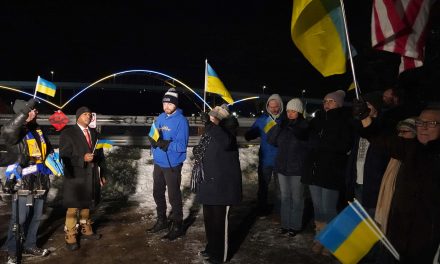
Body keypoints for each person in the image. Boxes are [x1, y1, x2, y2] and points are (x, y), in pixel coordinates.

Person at [353, 102, 440, 263]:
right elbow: (381, 139)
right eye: (420, 122)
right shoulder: (411, 148)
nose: (423, 127)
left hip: (427, 240)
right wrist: (365, 117)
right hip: (399, 233)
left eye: (431, 123)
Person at [302, 90, 353, 255]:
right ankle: (320, 237)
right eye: (325, 101)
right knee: (318, 207)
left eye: (330, 101)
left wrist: (323, 144)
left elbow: (345, 145)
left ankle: (331, 241)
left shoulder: (345, 120)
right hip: (314, 169)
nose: (326, 103)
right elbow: (305, 136)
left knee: (329, 208)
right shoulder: (317, 119)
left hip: (331, 171)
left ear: (339, 103)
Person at [1, 98, 51, 263]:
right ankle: (12, 250)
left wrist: (52, 159)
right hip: (23, 180)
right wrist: (24, 113)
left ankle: (30, 244)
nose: (35, 112)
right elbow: (8, 132)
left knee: (36, 216)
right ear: (22, 114)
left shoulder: (38, 129)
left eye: (35, 110)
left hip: (40, 178)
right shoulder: (16, 130)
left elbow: (47, 149)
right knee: (20, 218)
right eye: (32, 110)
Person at [194, 105, 242, 264]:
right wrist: (197, 150)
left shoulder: (229, 129)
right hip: (208, 183)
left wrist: (209, 125)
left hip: (223, 186)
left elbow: (225, 142)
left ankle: (220, 256)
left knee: (220, 223)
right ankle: (211, 248)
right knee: (209, 221)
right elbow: (207, 147)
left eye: (214, 117)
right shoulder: (212, 129)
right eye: (210, 116)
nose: (211, 118)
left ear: (221, 118)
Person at [59, 106, 106, 251]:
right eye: (85, 114)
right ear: (78, 116)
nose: (89, 117)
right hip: (75, 175)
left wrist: (103, 173)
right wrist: (82, 159)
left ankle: (86, 228)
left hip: (91, 175)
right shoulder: (68, 133)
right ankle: (71, 234)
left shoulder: (94, 133)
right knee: (73, 207)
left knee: (87, 204)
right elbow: (64, 156)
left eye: (90, 115)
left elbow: (101, 156)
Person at [147, 88, 189, 241]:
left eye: (169, 104)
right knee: (157, 193)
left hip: (172, 165)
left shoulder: (181, 121)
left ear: (175, 104)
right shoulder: (160, 117)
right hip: (158, 163)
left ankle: (178, 225)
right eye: (164, 103)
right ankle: (162, 220)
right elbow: (154, 135)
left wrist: (166, 144)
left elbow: (181, 146)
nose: (166, 106)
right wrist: (152, 141)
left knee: (174, 196)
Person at [267, 98, 308, 237]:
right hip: (282, 167)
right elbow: (271, 140)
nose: (290, 113)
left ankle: (295, 226)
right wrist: (279, 126)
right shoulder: (282, 124)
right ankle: (285, 224)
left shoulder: (304, 126)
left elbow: (307, 143)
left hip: (297, 169)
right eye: (289, 110)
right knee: (285, 197)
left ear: (299, 112)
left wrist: (295, 129)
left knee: (297, 198)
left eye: (294, 111)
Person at [346, 91, 389, 216]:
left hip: (374, 182)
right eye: (363, 106)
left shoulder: (384, 126)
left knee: (372, 220)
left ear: (377, 107)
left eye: (368, 105)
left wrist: (365, 117)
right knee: (358, 219)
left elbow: (373, 133)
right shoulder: (358, 127)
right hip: (357, 180)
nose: (365, 109)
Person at [375, 117, 417, 234]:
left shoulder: (413, 156)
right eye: (399, 132)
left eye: (404, 132)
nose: (400, 135)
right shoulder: (394, 155)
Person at [245, 94, 284, 215]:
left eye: (276, 106)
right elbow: (250, 134)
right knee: (263, 187)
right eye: (271, 106)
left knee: (281, 189)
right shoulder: (262, 120)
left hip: (281, 160)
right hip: (265, 160)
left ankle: (279, 210)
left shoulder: (285, 121)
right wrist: (250, 134)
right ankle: (262, 209)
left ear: (280, 106)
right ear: (267, 107)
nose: (273, 109)